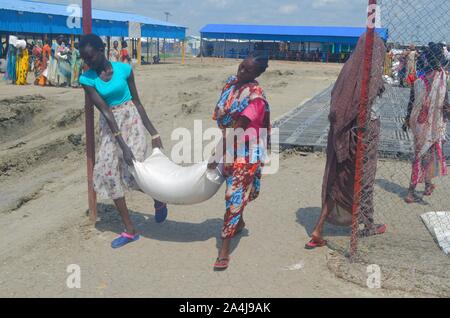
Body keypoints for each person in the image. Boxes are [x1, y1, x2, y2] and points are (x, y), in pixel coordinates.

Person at [78, 34, 168, 249]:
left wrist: (154, 134)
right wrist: (121, 145)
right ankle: (130, 229)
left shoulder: (124, 69)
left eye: (91, 57)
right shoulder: (87, 79)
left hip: (132, 122)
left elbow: (137, 102)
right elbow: (105, 110)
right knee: (108, 172)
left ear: (102, 50)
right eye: (85, 59)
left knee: (133, 172)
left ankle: (159, 198)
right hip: (111, 126)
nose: (88, 63)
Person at [305, 33, 388, 250]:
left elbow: (339, 104)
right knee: (364, 178)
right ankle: (367, 224)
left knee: (339, 180)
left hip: (344, 135)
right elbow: (366, 101)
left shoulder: (350, 69)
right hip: (363, 134)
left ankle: (319, 228)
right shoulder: (370, 74)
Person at [207, 54, 271, 270]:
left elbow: (239, 128)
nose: (241, 72)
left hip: (247, 150)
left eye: (247, 70)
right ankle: (238, 220)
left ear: (257, 75)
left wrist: (216, 155)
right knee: (233, 189)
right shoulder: (231, 85)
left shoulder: (255, 98)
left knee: (232, 194)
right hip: (230, 143)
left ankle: (224, 249)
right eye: (241, 67)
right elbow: (223, 118)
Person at [404, 43, 449, 203]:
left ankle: (427, 184)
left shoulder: (419, 79)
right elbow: (446, 103)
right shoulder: (443, 78)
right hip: (434, 124)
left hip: (418, 123)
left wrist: (406, 119)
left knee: (421, 154)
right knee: (427, 155)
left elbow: (410, 101)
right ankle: (411, 191)